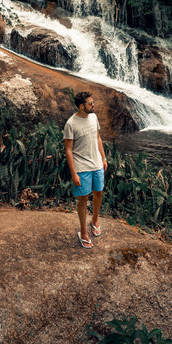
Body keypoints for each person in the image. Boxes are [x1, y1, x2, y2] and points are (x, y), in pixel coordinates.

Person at [63, 91, 108, 249]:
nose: (93, 105)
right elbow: (68, 150)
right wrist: (73, 173)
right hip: (81, 166)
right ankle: (83, 232)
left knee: (99, 193)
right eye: (90, 103)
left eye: (93, 102)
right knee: (83, 199)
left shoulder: (94, 117)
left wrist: (103, 158)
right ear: (81, 106)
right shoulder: (71, 124)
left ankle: (94, 220)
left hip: (96, 163)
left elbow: (97, 138)